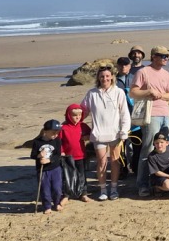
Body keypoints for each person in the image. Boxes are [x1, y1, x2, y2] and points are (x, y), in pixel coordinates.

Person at [131, 46, 169, 197]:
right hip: (151, 115)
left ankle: (160, 181)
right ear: (154, 56)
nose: (166, 58)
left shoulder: (166, 74)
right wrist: (148, 92)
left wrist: (161, 95)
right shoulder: (143, 72)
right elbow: (133, 92)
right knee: (149, 148)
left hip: (165, 114)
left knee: (164, 148)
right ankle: (142, 184)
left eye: (167, 56)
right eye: (163, 55)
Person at [82, 66, 131, 200]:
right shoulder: (92, 93)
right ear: (98, 77)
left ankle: (114, 189)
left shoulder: (119, 92)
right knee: (101, 162)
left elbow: (124, 113)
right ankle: (103, 190)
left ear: (112, 77)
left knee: (115, 161)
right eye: (102, 76)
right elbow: (82, 111)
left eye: (107, 76)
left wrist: (124, 130)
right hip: (99, 135)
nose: (105, 79)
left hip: (116, 134)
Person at [31, 119, 64, 214]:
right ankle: (47, 206)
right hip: (43, 170)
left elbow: (58, 155)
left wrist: (49, 160)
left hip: (55, 168)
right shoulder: (37, 142)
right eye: (53, 133)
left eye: (57, 133)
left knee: (57, 188)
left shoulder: (57, 140)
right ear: (45, 131)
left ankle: (57, 203)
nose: (56, 135)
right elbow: (32, 155)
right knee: (45, 189)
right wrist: (39, 155)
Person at [60, 103, 90, 202]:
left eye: (79, 115)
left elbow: (92, 134)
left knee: (82, 175)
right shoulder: (63, 128)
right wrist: (62, 151)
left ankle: (83, 193)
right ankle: (66, 195)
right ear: (68, 115)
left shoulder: (83, 126)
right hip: (68, 156)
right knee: (68, 176)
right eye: (74, 115)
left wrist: (87, 137)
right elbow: (59, 142)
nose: (77, 117)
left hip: (81, 155)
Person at [115, 56, 140, 174]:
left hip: (135, 119)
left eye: (126, 64)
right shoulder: (113, 81)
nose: (123, 67)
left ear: (130, 66)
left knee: (137, 145)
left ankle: (136, 168)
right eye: (121, 64)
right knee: (121, 146)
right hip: (119, 120)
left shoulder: (135, 79)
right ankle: (122, 169)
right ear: (117, 66)